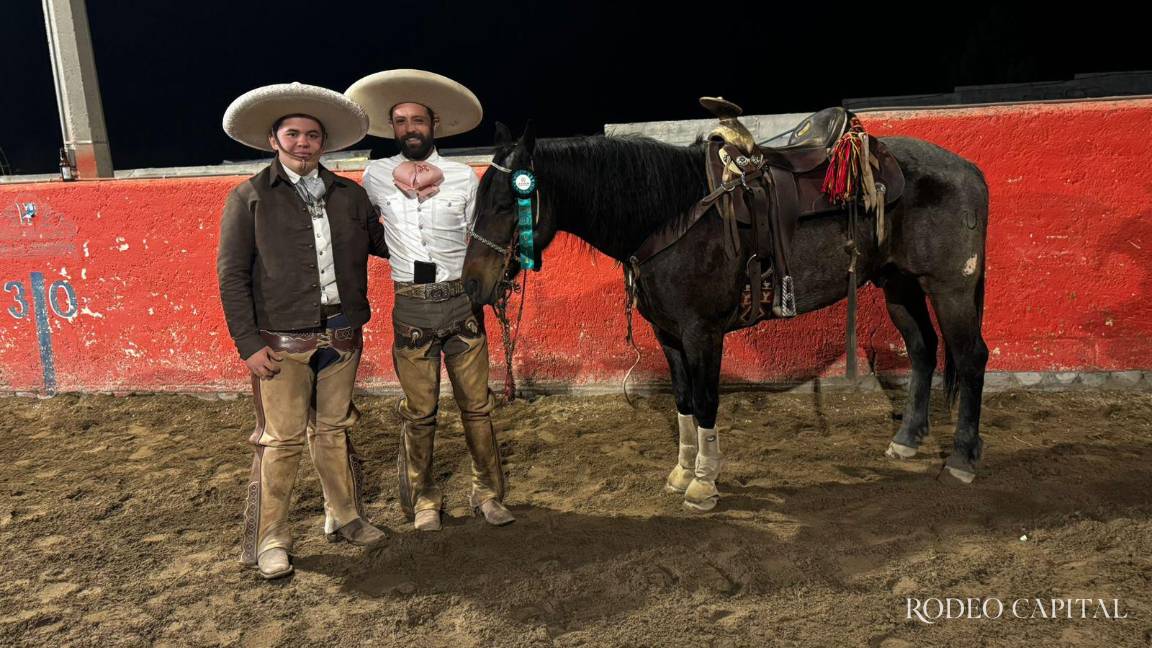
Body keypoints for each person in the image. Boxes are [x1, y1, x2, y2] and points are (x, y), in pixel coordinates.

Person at [217, 82, 389, 579]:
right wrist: (248, 344)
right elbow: (231, 275)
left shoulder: (350, 196)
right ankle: (272, 538)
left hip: (342, 335)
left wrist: (419, 202)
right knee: (281, 441)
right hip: (280, 343)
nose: (303, 142)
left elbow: (386, 244)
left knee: (334, 431)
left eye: (312, 135)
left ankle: (345, 515)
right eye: (292, 134)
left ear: (323, 143)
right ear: (274, 139)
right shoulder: (248, 197)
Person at [347, 69, 513, 532]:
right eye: (400, 121)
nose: (409, 128)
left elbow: (478, 237)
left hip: (461, 302)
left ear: (433, 124)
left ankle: (488, 493)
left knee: (477, 407)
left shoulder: (463, 177)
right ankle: (422, 499)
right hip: (412, 305)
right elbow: (364, 229)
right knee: (419, 412)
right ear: (392, 127)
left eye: (417, 120)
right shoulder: (375, 175)